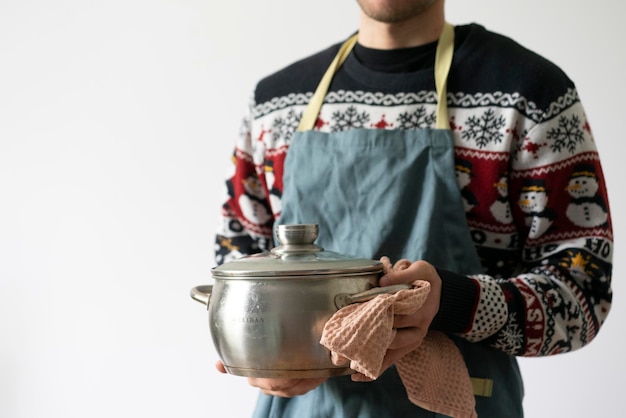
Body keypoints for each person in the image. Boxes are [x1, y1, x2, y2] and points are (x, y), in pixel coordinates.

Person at [213, 0, 613, 416]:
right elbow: (235, 268)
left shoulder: (528, 94)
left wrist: (454, 302)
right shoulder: (276, 104)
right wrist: (261, 351)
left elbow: (583, 294)